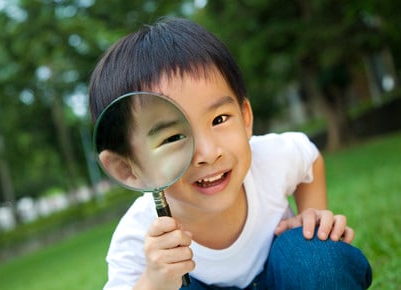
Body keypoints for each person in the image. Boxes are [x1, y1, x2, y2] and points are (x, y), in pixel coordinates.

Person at [89, 17, 372, 290]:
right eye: (174, 137)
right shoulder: (136, 236)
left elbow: (308, 157)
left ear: (245, 117)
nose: (209, 153)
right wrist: (154, 282)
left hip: (284, 278)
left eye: (220, 119)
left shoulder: (270, 159)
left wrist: (313, 212)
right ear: (128, 169)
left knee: (314, 253)